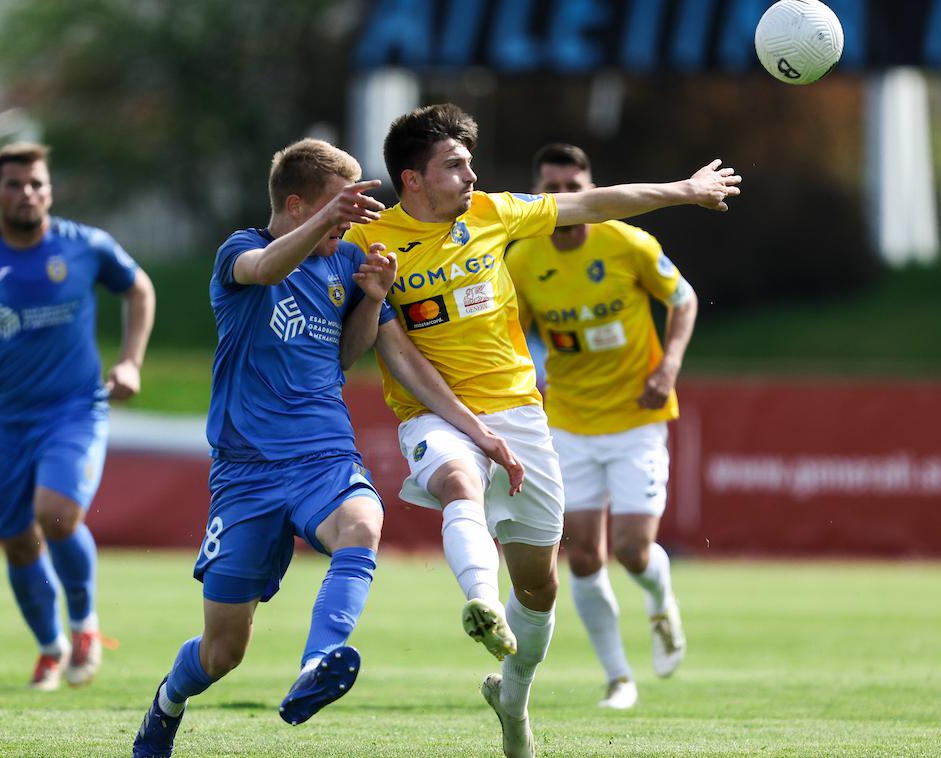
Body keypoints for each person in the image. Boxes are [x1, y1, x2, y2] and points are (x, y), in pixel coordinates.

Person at [344, 103, 740, 758]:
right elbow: (392, 352)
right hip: (433, 415)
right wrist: (471, 425)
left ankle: (513, 698)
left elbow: (598, 203)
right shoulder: (373, 245)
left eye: (471, 162)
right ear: (412, 179)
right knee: (458, 479)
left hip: (523, 417)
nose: (472, 174)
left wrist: (686, 191)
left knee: (542, 584)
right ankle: (481, 602)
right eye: (455, 165)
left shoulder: (494, 215)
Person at [131, 138, 523, 758]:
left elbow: (354, 354)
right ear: (296, 205)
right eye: (337, 214)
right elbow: (264, 271)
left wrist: (370, 299)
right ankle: (166, 704)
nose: (347, 229)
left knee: (365, 522)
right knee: (222, 652)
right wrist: (328, 218)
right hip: (247, 473)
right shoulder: (242, 252)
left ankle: (318, 664)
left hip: (323, 455)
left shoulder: (345, 264)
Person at [0, 142, 155, 690]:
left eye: (37, 184)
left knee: (55, 514)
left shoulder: (87, 246)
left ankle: (84, 626)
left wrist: (130, 362)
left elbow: (139, 289)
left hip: (74, 409)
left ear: (49, 191)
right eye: (15, 185)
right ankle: (51, 647)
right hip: (5, 419)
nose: (27, 193)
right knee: (16, 538)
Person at [507, 143, 697, 710]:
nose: (563, 196)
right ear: (538, 192)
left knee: (634, 550)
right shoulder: (522, 259)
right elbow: (514, 335)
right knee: (584, 556)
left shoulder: (628, 242)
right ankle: (619, 678)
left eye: (572, 184)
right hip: (567, 419)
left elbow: (683, 301)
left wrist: (668, 367)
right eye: (551, 186)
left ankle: (661, 600)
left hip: (637, 418)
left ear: (590, 186)